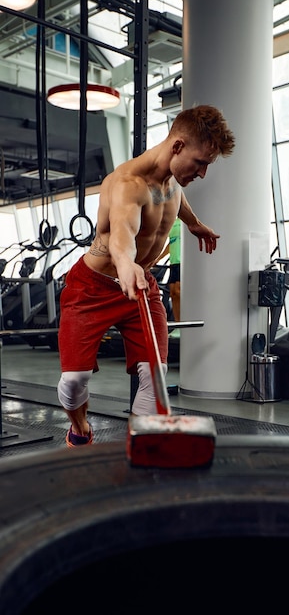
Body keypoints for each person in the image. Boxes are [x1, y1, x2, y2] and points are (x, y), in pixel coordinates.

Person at [57, 104, 235, 447]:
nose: (202, 174)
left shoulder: (172, 179)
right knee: (74, 380)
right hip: (93, 286)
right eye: (201, 163)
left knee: (155, 376)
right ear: (178, 146)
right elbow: (122, 236)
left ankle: (142, 447)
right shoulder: (126, 185)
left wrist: (195, 225)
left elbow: (174, 199)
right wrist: (125, 263)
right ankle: (79, 428)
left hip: (142, 286)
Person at [154, 216, 181, 322]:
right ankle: (178, 323)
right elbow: (171, 243)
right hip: (174, 262)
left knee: (179, 291)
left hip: (183, 262)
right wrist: (158, 258)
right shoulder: (173, 223)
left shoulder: (186, 223)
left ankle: (184, 320)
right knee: (173, 293)